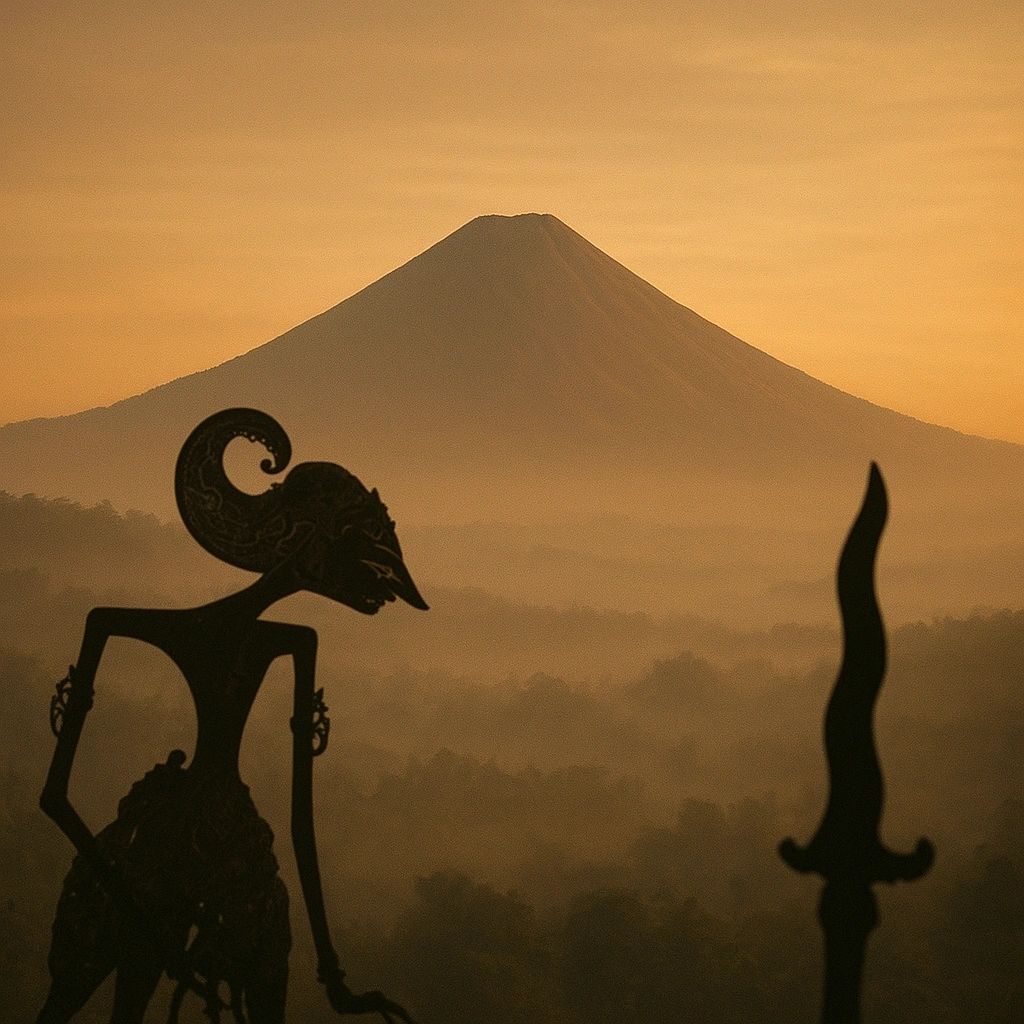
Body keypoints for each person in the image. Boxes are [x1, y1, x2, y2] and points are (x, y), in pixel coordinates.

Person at [38, 408, 428, 1024]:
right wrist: (333, 978)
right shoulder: (282, 641)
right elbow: (53, 797)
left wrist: (334, 979)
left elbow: (56, 798)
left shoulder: (290, 641)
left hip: (202, 852)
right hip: (209, 853)